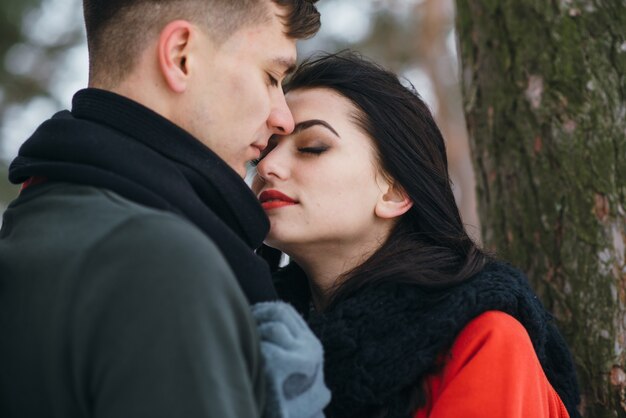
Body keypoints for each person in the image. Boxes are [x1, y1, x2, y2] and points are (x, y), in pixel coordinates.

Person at [0, 1, 329, 417]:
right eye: (270, 77)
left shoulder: (33, 223)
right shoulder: (162, 263)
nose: (283, 117)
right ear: (180, 56)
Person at [252, 51, 582, 418]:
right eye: (264, 149)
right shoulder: (253, 328)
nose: (267, 166)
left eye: (312, 147)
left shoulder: (484, 338)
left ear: (395, 192)